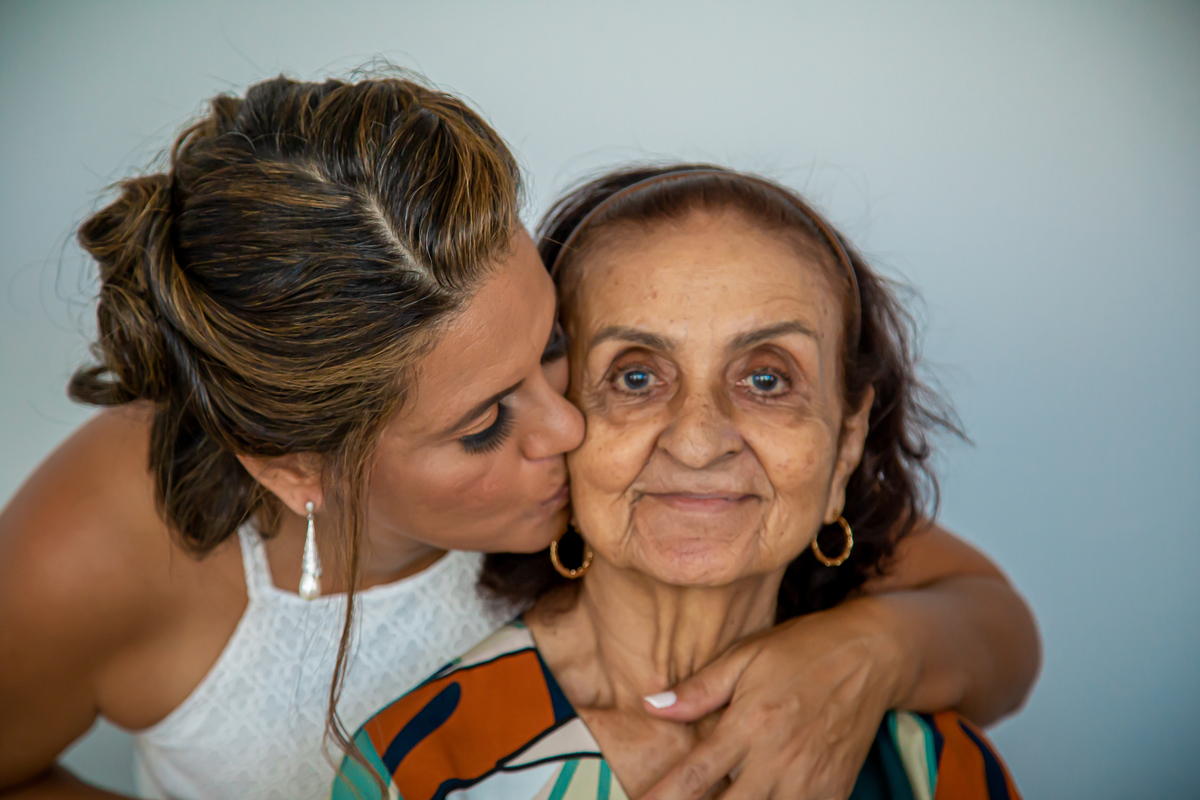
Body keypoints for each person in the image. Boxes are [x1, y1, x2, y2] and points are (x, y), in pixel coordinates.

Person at [0, 76, 1037, 800]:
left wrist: (868, 647)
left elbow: (988, 623)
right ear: (296, 467)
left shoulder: (652, 498)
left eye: (553, 345)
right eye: (485, 422)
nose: (571, 422)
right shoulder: (102, 541)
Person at [333, 166, 1025, 800]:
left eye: (766, 378)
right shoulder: (416, 770)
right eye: (635, 377)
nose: (697, 442)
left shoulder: (934, 771)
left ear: (845, 443)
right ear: (560, 419)